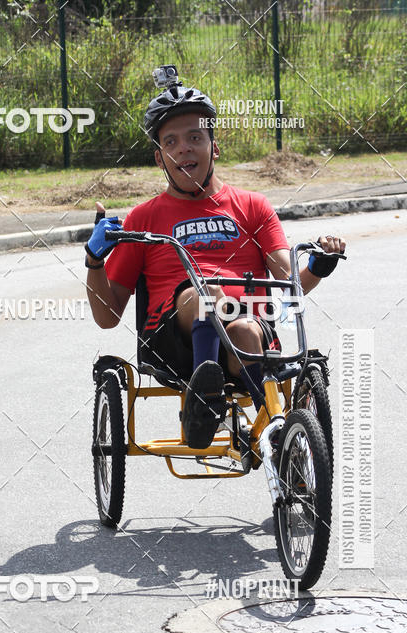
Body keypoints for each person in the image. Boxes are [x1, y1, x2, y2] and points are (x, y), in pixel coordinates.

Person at [85, 71, 346, 449]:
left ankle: (276, 438)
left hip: (246, 334)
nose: (184, 149)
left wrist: (320, 265)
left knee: (244, 329)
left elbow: (290, 284)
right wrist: (94, 260)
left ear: (214, 147)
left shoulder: (252, 206)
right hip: (175, 341)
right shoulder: (143, 219)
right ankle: (202, 400)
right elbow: (107, 317)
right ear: (160, 158)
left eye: (195, 138)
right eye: (171, 142)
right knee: (207, 291)